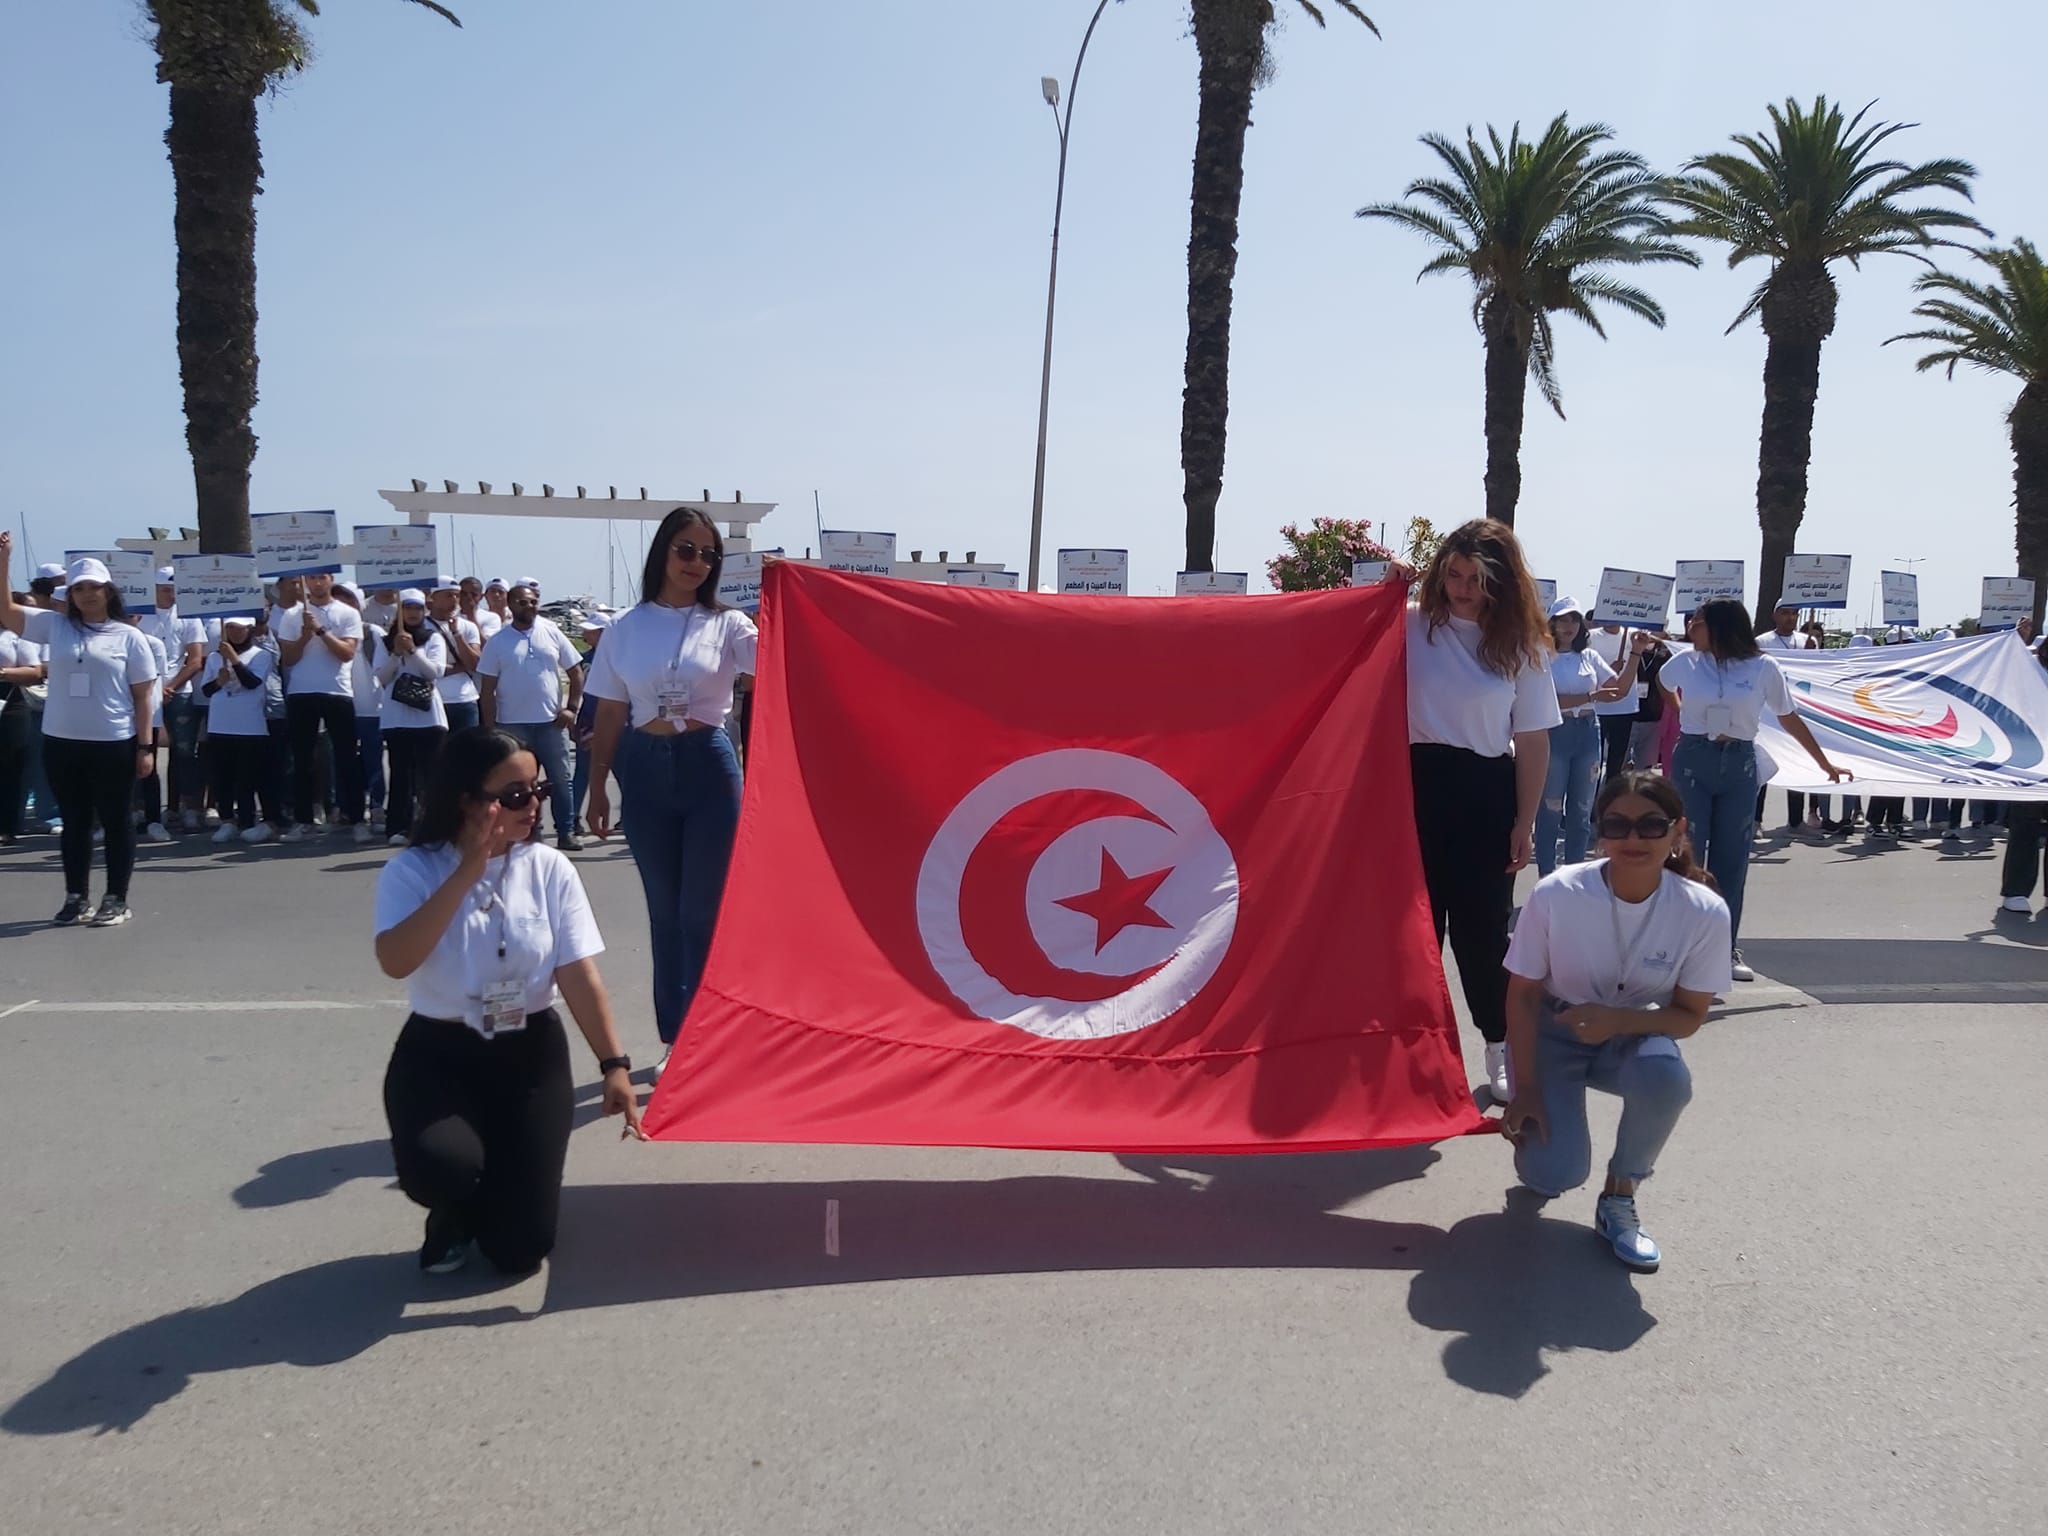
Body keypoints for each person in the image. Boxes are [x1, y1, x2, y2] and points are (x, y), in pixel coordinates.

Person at [374, 728, 643, 1274]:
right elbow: (396, 960)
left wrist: (614, 1065)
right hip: (440, 1053)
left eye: (538, 789)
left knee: (520, 1251)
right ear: (466, 800)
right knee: (442, 1168)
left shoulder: (550, 868)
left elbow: (578, 973)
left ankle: (498, 1193)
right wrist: (468, 872)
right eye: (515, 795)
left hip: (529, 1053)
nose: (534, 805)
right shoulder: (414, 869)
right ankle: (453, 1207)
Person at [1501, 771, 1728, 1270]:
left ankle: (1619, 1196)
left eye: (1651, 825)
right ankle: (1547, 1145)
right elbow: (1521, 995)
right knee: (1552, 1174)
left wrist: (1618, 1022)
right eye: (1617, 825)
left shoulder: (1703, 910)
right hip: (1551, 1029)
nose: (1634, 838)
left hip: (1632, 1029)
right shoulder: (1558, 893)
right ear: (1599, 832)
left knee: (1666, 1079)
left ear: (1677, 830)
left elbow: (1689, 1016)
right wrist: (1527, 1089)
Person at [1382, 518, 1559, 1101]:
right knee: (1412, 933)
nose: (1461, 588)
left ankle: (1500, 1046)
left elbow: (1532, 739)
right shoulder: (1408, 623)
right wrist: (1382, 588)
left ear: (1501, 581)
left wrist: (1525, 821)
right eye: (1453, 575)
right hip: (1413, 785)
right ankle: (1410, 1054)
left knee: (1482, 935)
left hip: (1486, 790)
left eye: (1475, 579)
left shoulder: (1523, 646)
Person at [585, 507, 758, 1074]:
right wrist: (598, 787)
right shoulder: (624, 627)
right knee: (665, 912)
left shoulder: (729, 626)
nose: (697, 563)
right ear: (663, 552)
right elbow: (610, 712)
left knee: (701, 913)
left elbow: (782, 660)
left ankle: (707, 1038)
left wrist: (782, 597)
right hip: (645, 768)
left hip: (709, 766)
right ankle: (676, 1038)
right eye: (686, 549)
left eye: (709, 554)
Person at [1660, 599, 1851, 981]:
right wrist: (1683, 711)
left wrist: (1823, 763)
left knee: (1731, 861)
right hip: (1694, 759)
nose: (1691, 628)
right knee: (1686, 854)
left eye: (1699, 623)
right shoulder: (1685, 662)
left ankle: (1723, 948)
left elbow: (1788, 716)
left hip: (1739, 764)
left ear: (1721, 627)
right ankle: (1680, 949)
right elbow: (1664, 685)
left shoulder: (1764, 667)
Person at [0, 540, 159, 926]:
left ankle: (116, 898)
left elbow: (144, 697)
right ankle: (76, 897)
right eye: (78, 588)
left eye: (94, 587)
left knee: (116, 821)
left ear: (108, 591)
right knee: (74, 822)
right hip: (62, 742)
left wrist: (145, 747)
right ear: (69, 595)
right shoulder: (55, 626)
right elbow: (7, 612)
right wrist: (4, 561)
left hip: (114, 742)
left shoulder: (129, 637)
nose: (87, 594)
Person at [1536, 600, 1642, 877]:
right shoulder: (1541, 656)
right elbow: (1548, 700)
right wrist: (1590, 696)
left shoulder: (1589, 657)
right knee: (1550, 808)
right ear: (1552, 623)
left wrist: (1635, 653)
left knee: (1581, 810)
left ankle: (1576, 875)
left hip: (1587, 731)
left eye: (1574, 620)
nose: (1569, 626)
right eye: (1563, 620)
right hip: (1555, 731)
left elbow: (1618, 690)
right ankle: (1547, 876)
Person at [477, 580, 584, 850]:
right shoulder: (498, 642)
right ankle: (527, 833)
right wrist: (491, 729)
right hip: (512, 727)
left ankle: (566, 831)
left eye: (534, 601)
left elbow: (575, 671)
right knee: (519, 785)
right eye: (523, 602)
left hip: (551, 723)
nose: (529, 606)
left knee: (561, 781)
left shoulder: (552, 632)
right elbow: (487, 690)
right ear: (511, 605)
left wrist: (572, 708)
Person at [272, 570, 367, 843]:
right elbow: (288, 659)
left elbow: (346, 653)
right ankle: (304, 821)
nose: (316, 582)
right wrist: (304, 635)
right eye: (311, 578)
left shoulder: (347, 613)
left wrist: (321, 631)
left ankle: (357, 819)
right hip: (301, 692)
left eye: (321, 577)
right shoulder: (292, 615)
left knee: (347, 757)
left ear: (331, 580)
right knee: (302, 760)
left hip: (337, 691)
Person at [373, 591, 451, 846]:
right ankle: (398, 827)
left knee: (431, 775)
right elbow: (382, 678)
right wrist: (396, 653)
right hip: (396, 717)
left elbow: (434, 672)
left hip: (429, 717)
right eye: (407, 608)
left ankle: (434, 826)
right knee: (401, 775)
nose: (413, 613)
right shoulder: (384, 641)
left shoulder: (433, 638)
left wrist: (413, 651)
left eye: (417, 608)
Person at [199, 617, 276, 842]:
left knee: (246, 777)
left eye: (240, 629)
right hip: (220, 723)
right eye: (231, 628)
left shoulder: (261, 655)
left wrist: (233, 659)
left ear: (249, 630)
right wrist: (218, 682)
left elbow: (252, 683)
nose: (235, 633)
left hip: (249, 725)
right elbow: (206, 690)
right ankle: (227, 820)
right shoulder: (214, 657)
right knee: (222, 776)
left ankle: (247, 820)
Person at [142, 567, 208, 832]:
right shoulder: (141, 615)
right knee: (145, 749)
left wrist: (169, 687)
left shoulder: (189, 616)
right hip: (145, 691)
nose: (171, 595)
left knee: (184, 752)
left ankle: (188, 809)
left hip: (178, 691)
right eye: (166, 590)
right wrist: (155, 689)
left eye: (175, 590)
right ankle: (144, 809)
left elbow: (195, 660)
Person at [426, 578, 484, 733]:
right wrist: (457, 668)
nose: (454, 600)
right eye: (448, 595)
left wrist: (456, 634)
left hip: (464, 699)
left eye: (457, 595)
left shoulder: (468, 627)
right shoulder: (421, 626)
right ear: (434, 597)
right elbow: (424, 667)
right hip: (431, 699)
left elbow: (474, 664)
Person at [570, 612, 609, 834]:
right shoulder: (583, 659)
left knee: (623, 771)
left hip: (614, 720)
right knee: (583, 770)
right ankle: (573, 816)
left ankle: (628, 815)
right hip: (588, 719)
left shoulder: (618, 657)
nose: (585, 633)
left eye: (590, 630)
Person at [460, 577, 503, 641]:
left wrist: (471, 615)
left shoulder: (492, 618)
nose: (468, 597)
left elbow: (487, 644)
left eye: (474, 594)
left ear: (481, 597)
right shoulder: (450, 616)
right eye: (464, 594)